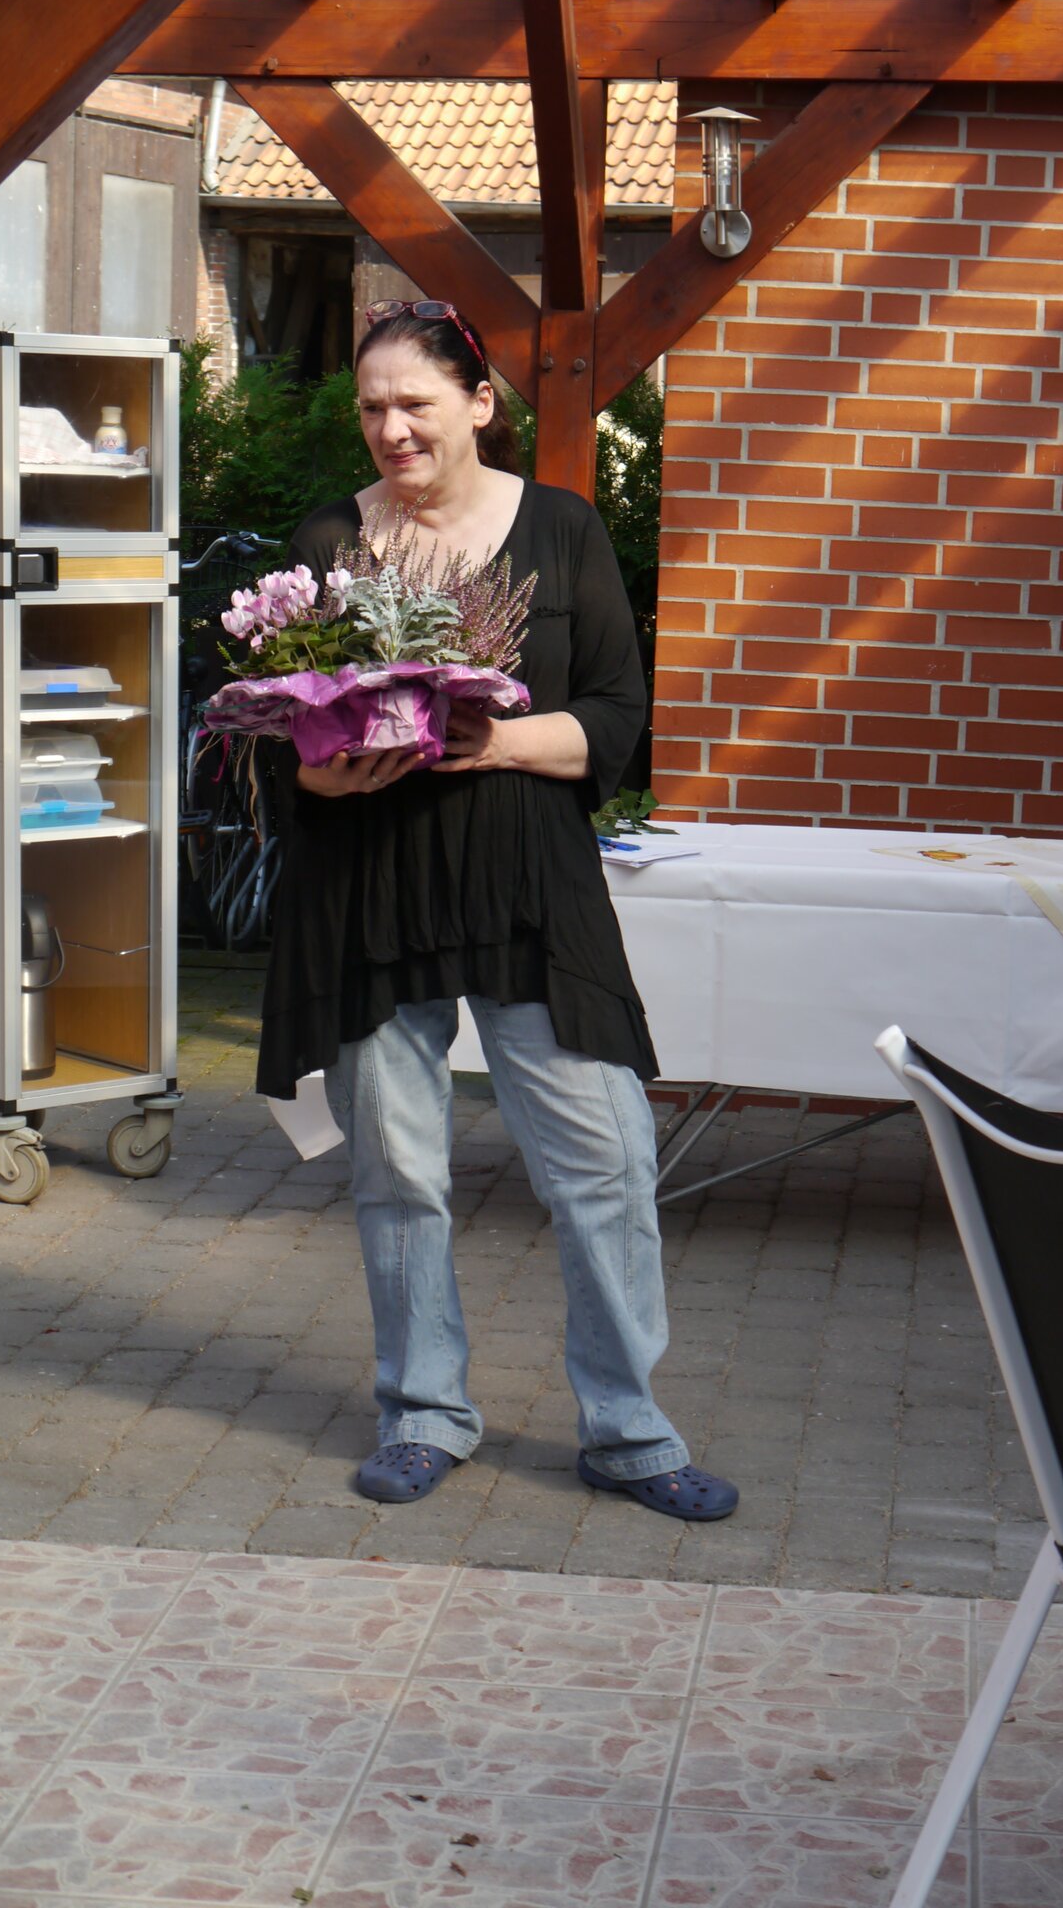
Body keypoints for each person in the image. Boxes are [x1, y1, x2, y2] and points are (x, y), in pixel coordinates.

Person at [256, 299, 737, 1522]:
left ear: (479, 402)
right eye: (371, 408)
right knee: (399, 1175)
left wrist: (491, 741)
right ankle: (423, 1412)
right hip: (369, 900)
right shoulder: (326, 541)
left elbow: (617, 726)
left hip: (529, 896)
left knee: (608, 1161)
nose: (390, 428)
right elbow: (281, 748)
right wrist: (319, 766)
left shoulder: (562, 528)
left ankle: (628, 1430)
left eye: (414, 402)